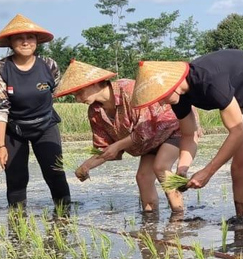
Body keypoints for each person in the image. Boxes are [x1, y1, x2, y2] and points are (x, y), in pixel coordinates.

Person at [131, 50, 243, 228]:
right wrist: (183, 168)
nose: (160, 103)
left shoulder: (209, 81)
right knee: (238, 169)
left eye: (161, 97)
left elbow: (237, 133)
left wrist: (208, 172)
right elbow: (189, 134)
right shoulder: (179, 98)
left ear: (171, 85)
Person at [54, 60, 197, 217]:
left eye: (79, 93)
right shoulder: (95, 112)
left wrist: (117, 145)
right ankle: (150, 220)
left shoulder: (128, 90)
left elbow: (144, 130)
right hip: (150, 143)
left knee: (161, 167)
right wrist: (86, 166)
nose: (78, 99)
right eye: (75, 95)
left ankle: (178, 216)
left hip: (173, 128)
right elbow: (105, 148)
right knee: (142, 177)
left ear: (94, 83)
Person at [0, 14, 70, 210]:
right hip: (14, 129)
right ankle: (17, 220)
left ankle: (64, 216)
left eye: (30, 37)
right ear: (10, 42)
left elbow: (56, 92)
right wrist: (1, 145)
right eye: (19, 38)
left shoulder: (49, 65)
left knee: (55, 172)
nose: (25, 42)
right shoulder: (3, 68)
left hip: (46, 126)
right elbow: (1, 109)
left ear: (37, 41)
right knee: (15, 176)